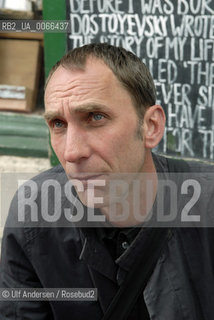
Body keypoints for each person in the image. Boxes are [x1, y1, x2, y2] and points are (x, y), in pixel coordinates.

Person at [0, 43, 214, 319]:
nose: (72, 152)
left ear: (151, 127)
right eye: (58, 124)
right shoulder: (34, 213)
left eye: (95, 117)